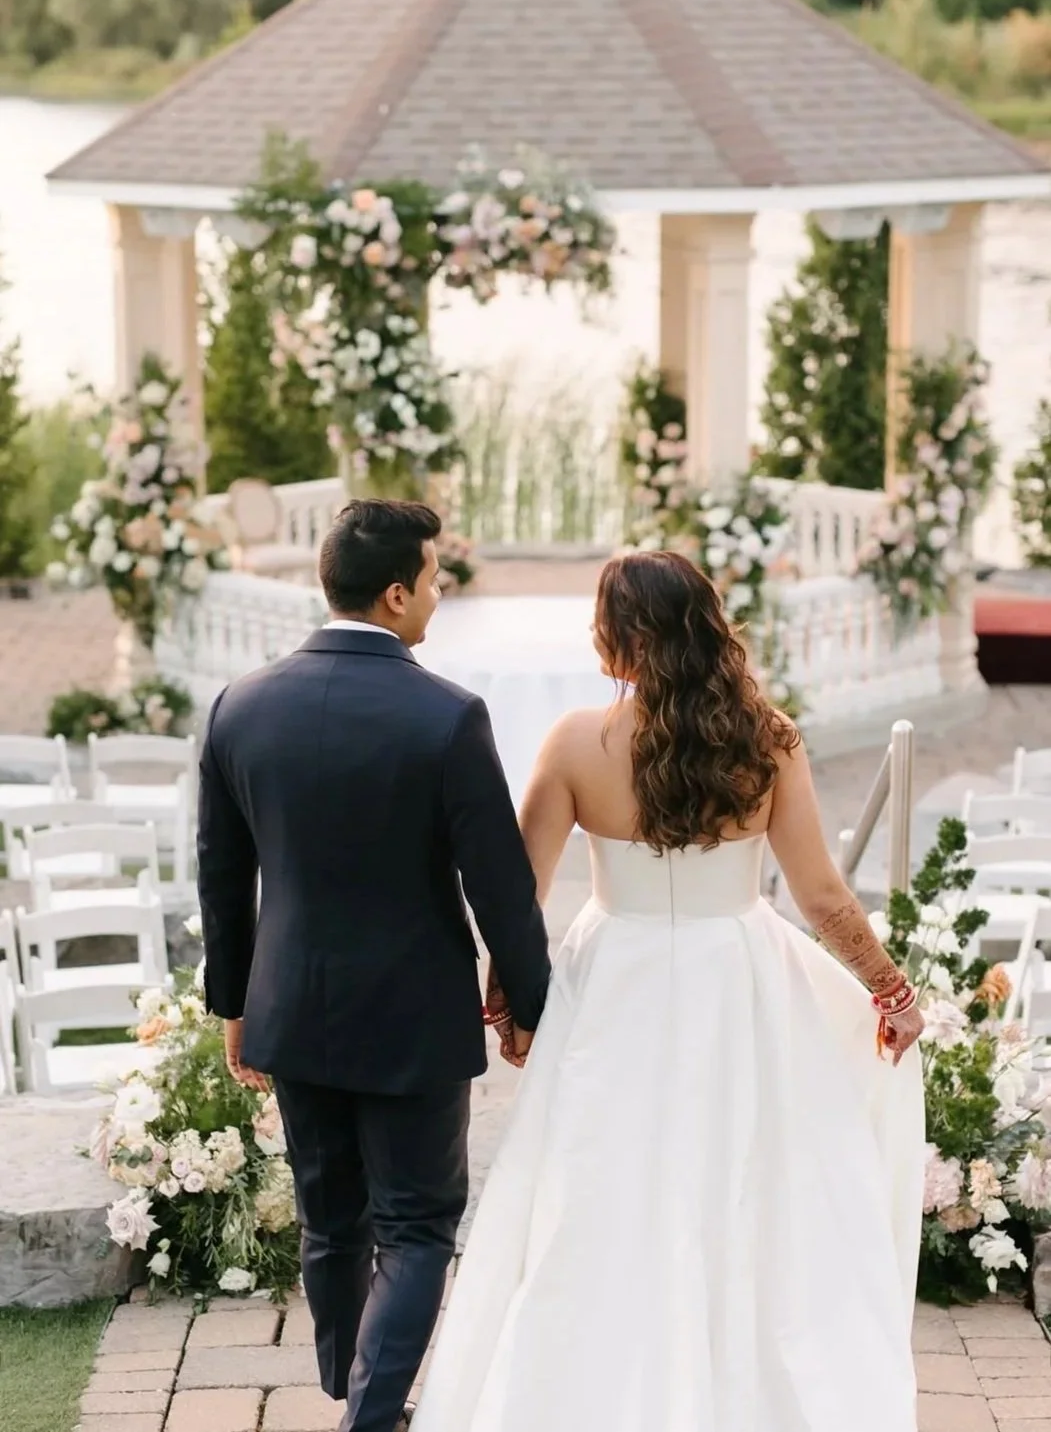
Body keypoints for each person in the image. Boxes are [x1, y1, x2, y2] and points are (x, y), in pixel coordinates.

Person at [414, 549, 925, 1432]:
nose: (589, 634)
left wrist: (512, 1005)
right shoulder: (768, 738)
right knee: (747, 1181)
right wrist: (889, 990)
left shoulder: (577, 741)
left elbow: (518, 894)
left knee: (599, 1187)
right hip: (743, 983)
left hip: (616, 981)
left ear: (632, 635)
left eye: (600, 619)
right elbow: (821, 896)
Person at [196, 499, 552, 1432]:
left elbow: (222, 879)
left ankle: (354, 1392)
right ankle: (370, 1411)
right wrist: (528, 1003)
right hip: (412, 1019)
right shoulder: (445, 716)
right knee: (420, 1225)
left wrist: (233, 1002)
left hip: (291, 1007)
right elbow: (501, 890)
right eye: (434, 580)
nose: (438, 596)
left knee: (330, 1219)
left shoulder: (241, 705)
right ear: (395, 594)